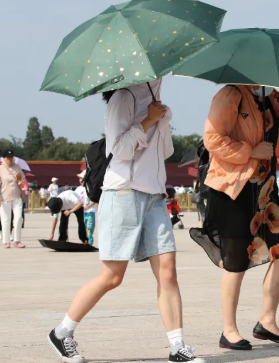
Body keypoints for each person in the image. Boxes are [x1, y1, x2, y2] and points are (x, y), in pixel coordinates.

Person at [47, 80, 204, 363]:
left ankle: (177, 346)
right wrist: (148, 121)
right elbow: (118, 149)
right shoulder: (123, 96)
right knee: (112, 277)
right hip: (123, 193)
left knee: (168, 272)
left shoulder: (157, 96)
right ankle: (62, 332)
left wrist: (162, 119)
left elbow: (165, 151)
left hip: (155, 194)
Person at [190, 84, 279, 351]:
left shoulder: (270, 95)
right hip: (234, 188)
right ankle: (229, 331)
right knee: (236, 258)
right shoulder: (231, 94)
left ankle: (267, 320)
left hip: (265, 188)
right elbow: (213, 139)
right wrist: (249, 151)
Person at [0, 150, 26, 249]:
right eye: (8, 158)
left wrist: (21, 183)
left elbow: (21, 179)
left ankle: (17, 240)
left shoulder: (17, 167)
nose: (10, 159)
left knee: (18, 219)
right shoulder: (0, 169)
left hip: (17, 196)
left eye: (11, 157)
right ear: (4, 158)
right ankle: (6, 241)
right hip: (4, 198)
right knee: (6, 220)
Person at [76, 171, 97, 245]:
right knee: (83, 228)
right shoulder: (78, 189)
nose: (80, 180)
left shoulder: (91, 188)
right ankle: (84, 242)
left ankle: (89, 243)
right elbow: (76, 200)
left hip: (90, 211)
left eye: (81, 178)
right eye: (79, 178)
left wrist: (88, 206)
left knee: (89, 228)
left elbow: (95, 199)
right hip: (82, 212)